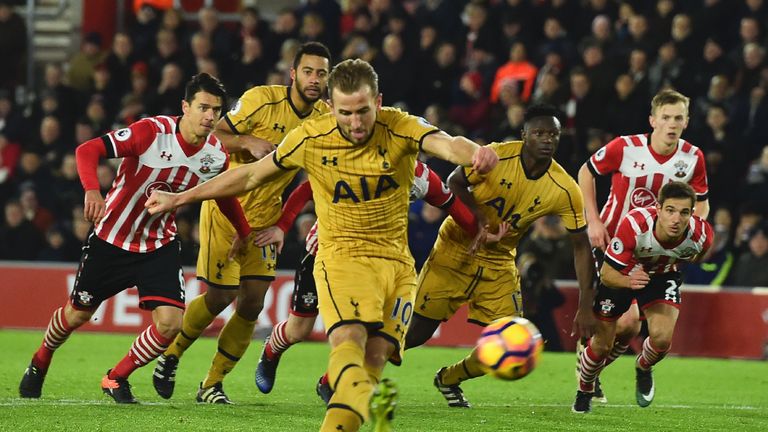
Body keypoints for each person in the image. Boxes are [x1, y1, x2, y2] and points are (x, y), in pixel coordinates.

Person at [145, 58, 498, 432]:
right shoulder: (311, 136)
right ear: (331, 107)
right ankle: (344, 391)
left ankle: (358, 399)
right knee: (348, 339)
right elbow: (248, 175)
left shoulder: (400, 126)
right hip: (341, 257)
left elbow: (445, 143)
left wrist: (475, 153)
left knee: (375, 358)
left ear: (378, 102)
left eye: (364, 111)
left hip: (397, 264)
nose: (357, 122)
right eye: (346, 112)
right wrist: (180, 199)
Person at [18, 73, 251, 403]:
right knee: (77, 315)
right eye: (203, 107)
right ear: (185, 107)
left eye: (216, 110)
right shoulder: (151, 132)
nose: (210, 116)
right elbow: (87, 150)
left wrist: (243, 232)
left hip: (158, 244)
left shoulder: (214, 154)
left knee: (170, 323)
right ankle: (41, 358)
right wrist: (92, 192)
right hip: (111, 239)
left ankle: (116, 377)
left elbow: (223, 194)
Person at [151, 42, 332, 404]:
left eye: (322, 73)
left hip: (265, 218)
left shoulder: (324, 120)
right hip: (226, 208)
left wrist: (282, 223)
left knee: (252, 303)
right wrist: (246, 140)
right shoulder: (261, 100)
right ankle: (170, 355)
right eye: (308, 71)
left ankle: (211, 384)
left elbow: (313, 180)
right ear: (293, 73)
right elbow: (212, 134)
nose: (315, 79)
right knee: (220, 297)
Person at [403, 104, 595, 408]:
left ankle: (449, 378)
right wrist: (478, 218)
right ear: (524, 135)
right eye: (539, 133)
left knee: (514, 341)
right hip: (455, 247)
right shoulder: (498, 155)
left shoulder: (564, 189)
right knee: (416, 333)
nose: (546, 140)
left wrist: (586, 306)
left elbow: (582, 246)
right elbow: (454, 181)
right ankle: (355, 370)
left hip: (499, 261)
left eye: (553, 134)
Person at [250, 159, 487, 399]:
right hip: (327, 252)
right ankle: (271, 350)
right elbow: (307, 189)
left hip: (380, 261)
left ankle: (330, 381)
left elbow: (451, 204)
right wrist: (282, 226)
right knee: (299, 330)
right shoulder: (357, 159)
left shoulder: (419, 175)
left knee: (372, 331)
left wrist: (477, 231)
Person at [576, 89, 709, 402]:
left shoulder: (693, 157)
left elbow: (701, 203)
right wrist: (593, 221)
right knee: (627, 323)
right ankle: (590, 371)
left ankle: (595, 369)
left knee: (633, 330)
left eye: (678, 118)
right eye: (666, 117)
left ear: (687, 121)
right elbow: (586, 171)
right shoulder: (626, 147)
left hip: (661, 252)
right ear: (653, 120)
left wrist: (692, 234)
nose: (671, 124)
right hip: (615, 242)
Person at [573, 181, 713, 413]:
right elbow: (607, 274)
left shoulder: (701, 235)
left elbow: (695, 257)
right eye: (670, 210)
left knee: (661, 340)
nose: (676, 219)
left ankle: (643, 367)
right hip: (624, 273)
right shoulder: (635, 224)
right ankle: (585, 387)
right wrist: (629, 281)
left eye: (684, 212)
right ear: (658, 208)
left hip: (662, 276)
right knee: (602, 346)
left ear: (692, 213)